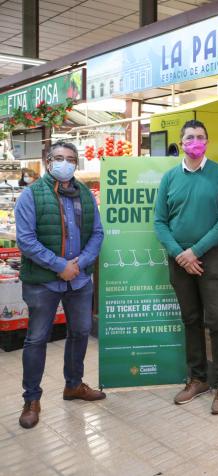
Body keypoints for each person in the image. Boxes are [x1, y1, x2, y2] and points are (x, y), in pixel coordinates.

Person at [15, 141, 105, 429]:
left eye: (70, 159)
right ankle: (31, 399)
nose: (65, 163)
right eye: (59, 158)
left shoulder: (85, 195)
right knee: (37, 338)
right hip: (43, 282)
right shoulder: (31, 196)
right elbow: (26, 240)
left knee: (80, 332)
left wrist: (79, 264)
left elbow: (98, 233)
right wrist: (60, 266)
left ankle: (74, 385)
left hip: (79, 280)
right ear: (48, 160)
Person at [154, 120, 218, 414]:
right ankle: (198, 378)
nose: (195, 141)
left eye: (201, 137)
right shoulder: (169, 178)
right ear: (181, 141)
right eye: (190, 137)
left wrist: (195, 251)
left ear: (207, 142)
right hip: (179, 261)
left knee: (217, 321)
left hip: (210, 256)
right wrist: (180, 254)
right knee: (190, 319)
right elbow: (159, 222)